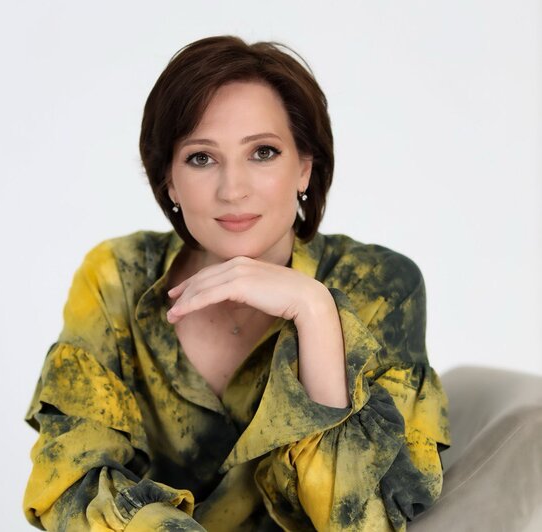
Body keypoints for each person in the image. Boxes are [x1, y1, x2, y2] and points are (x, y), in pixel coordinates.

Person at [23, 35, 451, 531]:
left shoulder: (379, 287)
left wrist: (314, 311)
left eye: (263, 152)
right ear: (169, 181)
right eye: (201, 158)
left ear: (304, 168)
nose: (233, 190)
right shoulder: (116, 277)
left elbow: (366, 518)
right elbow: (74, 486)